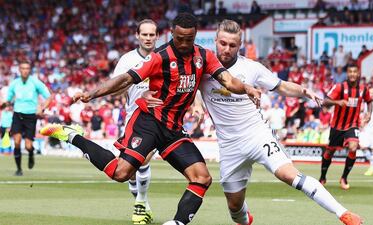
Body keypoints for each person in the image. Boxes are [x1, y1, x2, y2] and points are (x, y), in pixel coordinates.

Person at [40, 13, 261, 225]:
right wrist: (92, 93)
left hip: (173, 129)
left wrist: (247, 88)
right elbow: (125, 79)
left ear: (195, 36)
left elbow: (229, 81)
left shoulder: (204, 56)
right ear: (172, 34)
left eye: (189, 39)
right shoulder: (159, 57)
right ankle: (73, 136)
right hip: (148, 122)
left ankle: (177, 222)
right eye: (180, 38)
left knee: (202, 178)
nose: (184, 43)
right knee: (121, 173)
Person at [144, 19, 363, 225]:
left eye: (232, 44)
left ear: (240, 45)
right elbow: (184, 83)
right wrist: (195, 103)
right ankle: (246, 219)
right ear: (215, 42)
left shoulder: (252, 68)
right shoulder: (202, 65)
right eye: (222, 43)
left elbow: (282, 86)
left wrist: (305, 91)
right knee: (235, 208)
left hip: (257, 135)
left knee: (289, 175)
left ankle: (343, 213)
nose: (226, 49)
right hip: (229, 146)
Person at [110, 19, 159, 224]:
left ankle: (141, 202)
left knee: (144, 159)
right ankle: (142, 202)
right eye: (144, 35)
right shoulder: (127, 60)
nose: (148, 38)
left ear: (157, 36)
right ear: (137, 36)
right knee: (130, 171)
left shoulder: (163, 57)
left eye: (151, 35)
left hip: (157, 118)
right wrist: (134, 79)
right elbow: (115, 89)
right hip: (133, 118)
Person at [319, 64, 373, 190]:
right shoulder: (339, 87)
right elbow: (325, 101)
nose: (352, 74)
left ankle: (344, 178)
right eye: (350, 72)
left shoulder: (363, 89)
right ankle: (322, 177)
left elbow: (369, 101)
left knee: (353, 147)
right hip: (337, 126)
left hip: (353, 125)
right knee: (329, 151)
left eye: (355, 72)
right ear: (347, 74)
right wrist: (337, 102)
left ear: (358, 73)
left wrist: (369, 113)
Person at [6, 60, 51, 176]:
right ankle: (19, 169)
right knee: (16, 142)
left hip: (31, 116)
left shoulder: (35, 82)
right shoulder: (14, 83)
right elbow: (8, 100)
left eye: (27, 68)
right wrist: (3, 104)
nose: (25, 71)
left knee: (28, 146)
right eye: (23, 68)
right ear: (19, 70)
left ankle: (31, 154)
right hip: (17, 114)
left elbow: (49, 97)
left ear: (29, 70)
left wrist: (42, 108)